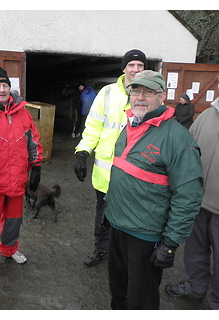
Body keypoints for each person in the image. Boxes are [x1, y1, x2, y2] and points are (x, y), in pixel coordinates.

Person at [104, 70, 203, 309]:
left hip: (146, 234)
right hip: (117, 226)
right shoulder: (129, 126)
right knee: (118, 291)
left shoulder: (178, 138)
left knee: (141, 299)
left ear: (161, 96)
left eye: (148, 92)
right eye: (136, 90)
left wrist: (170, 243)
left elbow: (188, 196)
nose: (140, 97)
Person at [74, 49, 147, 267]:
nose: (135, 69)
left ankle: (123, 255)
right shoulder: (107, 93)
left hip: (135, 172)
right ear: (123, 68)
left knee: (130, 217)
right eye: (131, 65)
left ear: (145, 68)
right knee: (102, 215)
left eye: (140, 65)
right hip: (106, 172)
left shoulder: (148, 94)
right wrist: (82, 151)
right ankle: (100, 250)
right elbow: (93, 126)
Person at [0, 66, 43, 277]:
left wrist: (36, 165)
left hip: (18, 179)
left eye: (5, 85)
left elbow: (33, 141)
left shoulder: (23, 113)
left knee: (14, 219)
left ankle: (9, 248)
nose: (2, 90)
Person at [165, 81, 219, 310]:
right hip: (198, 202)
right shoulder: (207, 116)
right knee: (195, 251)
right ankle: (195, 287)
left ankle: (216, 301)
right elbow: (190, 152)